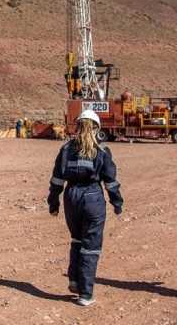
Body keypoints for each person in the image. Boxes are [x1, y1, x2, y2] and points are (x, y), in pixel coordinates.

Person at [47, 109, 124, 306]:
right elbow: (110, 181)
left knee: (77, 240)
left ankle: (74, 280)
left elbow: (57, 179)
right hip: (92, 198)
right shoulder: (102, 151)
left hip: (71, 198)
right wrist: (117, 202)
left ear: (78, 126)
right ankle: (86, 294)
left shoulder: (66, 149)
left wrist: (53, 203)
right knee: (90, 247)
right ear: (97, 128)